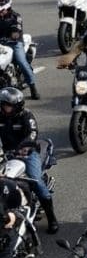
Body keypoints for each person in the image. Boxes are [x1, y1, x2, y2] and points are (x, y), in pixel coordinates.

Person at [0, 88, 55, 233]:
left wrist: (25, 147)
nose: (4, 108)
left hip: (27, 153)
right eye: (2, 105)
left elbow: (33, 133)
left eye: (7, 105)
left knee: (35, 181)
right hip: (6, 153)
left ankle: (52, 219)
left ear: (17, 106)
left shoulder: (26, 116)